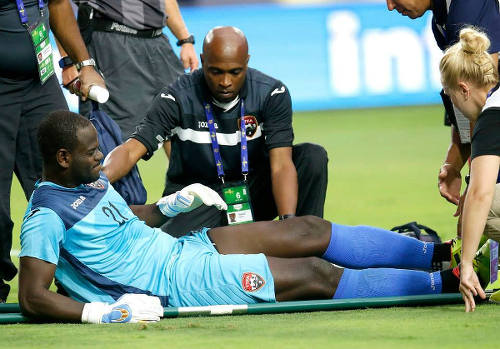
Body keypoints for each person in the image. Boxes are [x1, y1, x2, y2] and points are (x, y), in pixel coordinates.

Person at [19, 110, 474, 323]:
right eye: (91, 152)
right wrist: (104, 314)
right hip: (174, 284)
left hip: (181, 249)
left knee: (305, 228)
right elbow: (32, 297)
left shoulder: (88, 182)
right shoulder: (45, 216)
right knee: (316, 274)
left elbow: (127, 220)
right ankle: (451, 282)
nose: (101, 157)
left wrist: (165, 207)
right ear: (62, 157)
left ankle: (444, 254)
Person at [102, 26, 328, 236]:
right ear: (202, 61)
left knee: (312, 156)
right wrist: (96, 182)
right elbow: (132, 149)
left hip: (250, 193)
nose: (226, 82)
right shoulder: (176, 97)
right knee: (171, 249)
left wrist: (288, 225)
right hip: (198, 198)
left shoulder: (272, 94)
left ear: (247, 63)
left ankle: (305, 244)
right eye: (216, 72)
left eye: (235, 72)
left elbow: (281, 165)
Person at [0, 0, 105, 303]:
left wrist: (83, 63)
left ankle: (84, 281)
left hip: (39, 82)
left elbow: (58, 3)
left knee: (73, 177)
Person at [386, 0, 500, 235]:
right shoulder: (442, 20)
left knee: (484, 211)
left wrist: (476, 181)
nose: (390, 5)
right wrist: (454, 162)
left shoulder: (468, 6)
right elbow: (467, 100)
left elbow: (485, 97)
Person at [58, 0, 198, 141]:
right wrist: (68, 60)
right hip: (112, 41)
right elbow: (57, 4)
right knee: (113, 142)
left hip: (158, 41)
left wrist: (185, 39)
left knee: (185, 132)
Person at [439, 27, 500, 312]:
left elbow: (479, 194)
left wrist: (465, 263)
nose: (455, 106)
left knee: (477, 209)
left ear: (463, 88)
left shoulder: (492, 115)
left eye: (451, 97)